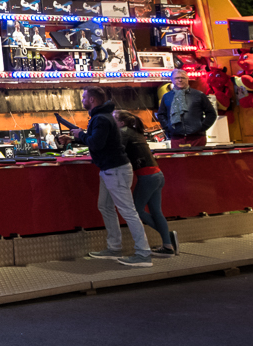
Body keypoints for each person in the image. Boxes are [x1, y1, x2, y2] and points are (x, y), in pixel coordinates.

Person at [56, 88, 152, 266]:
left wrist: (79, 135)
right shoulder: (103, 116)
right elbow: (98, 140)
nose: (82, 99)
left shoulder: (100, 118)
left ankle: (143, 254)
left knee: (128, 211)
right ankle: (114, 247)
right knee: (105, 206)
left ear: (92, 99)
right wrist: (74, 139)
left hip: (115, 170)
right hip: (110, 169)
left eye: (84, 97)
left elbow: (96, 143)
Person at [118, 109, 177, 255]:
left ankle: (168, 237)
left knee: (137, 210)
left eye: (113, 118)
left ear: (121, 122)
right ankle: (168, 245)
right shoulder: (135, 131)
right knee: (156, 211)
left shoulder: (124, 131)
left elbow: (118, 150)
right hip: (157, 175)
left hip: (147, 177)